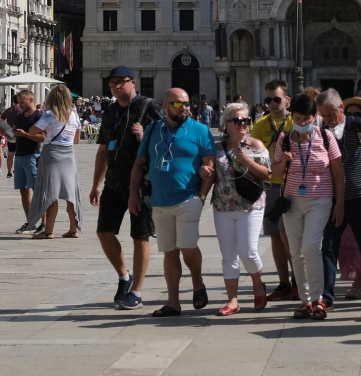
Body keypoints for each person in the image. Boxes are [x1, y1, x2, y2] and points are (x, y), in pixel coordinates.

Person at [129, 87, 214, 317]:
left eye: (186, 103)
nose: (184, 107)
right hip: (159, 200)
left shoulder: (200, 130)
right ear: (165, 106)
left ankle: (197, 283)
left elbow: (211, 166)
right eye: (177, 104)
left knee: (187, 247)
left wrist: (202, 196)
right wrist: (133, 194)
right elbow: (139, 164)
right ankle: (173, 302)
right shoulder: (153, 129)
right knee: (169, 252)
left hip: (188, 198)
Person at [91, 66, 163, 310]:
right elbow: (102, 149)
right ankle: (124, 276)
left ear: (133, 82)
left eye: (121, 82)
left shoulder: (149, 107)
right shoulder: (110, 111)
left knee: (139, 237)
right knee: (104, 232)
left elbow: (167, 142)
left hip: (142, 185)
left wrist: (145, 136)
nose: (116, 86)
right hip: (114, 182)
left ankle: (137, 291)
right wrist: (95, 185)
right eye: (112, 83)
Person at [272, 94, 344, 320]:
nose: (302, 123)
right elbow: (274, 173)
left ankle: (318, 298)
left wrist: (339, 204)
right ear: (291, 116)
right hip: (292, 201)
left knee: (311, 246)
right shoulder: (284, 139)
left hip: (320, 199)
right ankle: (305, 300)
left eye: (307, 118)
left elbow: (338, 172)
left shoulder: (325, 136)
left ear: (315, 118)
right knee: (296, 250)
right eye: (298, 118)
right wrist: (283, 160)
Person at [203, 102, 271, 315]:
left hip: (250, 205)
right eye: (237, 121)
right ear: (226, 125)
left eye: (246, 121)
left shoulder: (256, 146)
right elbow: (212, 173)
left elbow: (268, 175)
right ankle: (232, 300)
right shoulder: (217, 147)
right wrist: (203, 173)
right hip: (223, 205)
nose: (242, 124)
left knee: (248, 252)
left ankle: (257, 284)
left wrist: (247, 161)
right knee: (228, 255)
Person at [317, 89, 361, 310]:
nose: (328, 119)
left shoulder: (359, 125)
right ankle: (327, 296)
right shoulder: (322, 132)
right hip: (334, 200)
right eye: (324, 115)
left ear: (341, 108)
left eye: (331, 114)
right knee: (329, 246)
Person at [250, 79, 295, 301]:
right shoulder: (260, 125)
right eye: (268, 100)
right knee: (275, 235)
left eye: (277, 99)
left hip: (291, 184)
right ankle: (283, 282)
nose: (272, 104)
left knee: (289, 234)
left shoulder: (295, 122)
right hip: (269, 185)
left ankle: (298, 280)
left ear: (287, 99)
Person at [24, 84, 84, 239]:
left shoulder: (49, 115)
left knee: (51, 193)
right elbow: (77, 140)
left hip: (52, 155)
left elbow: (32, 131)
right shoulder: (74, 115)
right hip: (68, 155)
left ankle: (48, 231)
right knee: (71, 194)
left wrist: (48, 130)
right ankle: (73, 229)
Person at [11, 90, 45, 234]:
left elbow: (42, 137)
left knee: (37, 190)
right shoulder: (19, 116)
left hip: (33, 155)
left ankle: (44, 223)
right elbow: (14, 135)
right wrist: (6, 132)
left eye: (22, 102)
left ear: (31, 100)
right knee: (23, 191)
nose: (20, 105)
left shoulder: (39, 116)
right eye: (18, 103)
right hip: (18, 156)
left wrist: (25, 134)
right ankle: (31, 222)